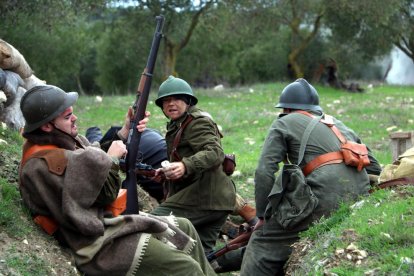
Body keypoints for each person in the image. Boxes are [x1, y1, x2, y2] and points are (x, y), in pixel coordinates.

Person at [18, 84, 216, 276]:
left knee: (185, 227)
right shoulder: (42, 165)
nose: (75, 118)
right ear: (46, 126)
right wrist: (111, 161)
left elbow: (89, 159)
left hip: (107, 224)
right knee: (186, 268)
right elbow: (104, 194)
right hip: (96, 244)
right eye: (68, 116)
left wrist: (124, 131)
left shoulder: (59, 141)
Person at [240, 78, 382, 275]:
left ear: (286, 109)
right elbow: (374, 167)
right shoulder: (339, 124)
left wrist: (263, 216)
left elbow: (264, 171)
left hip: (322, 199)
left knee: (263, 241)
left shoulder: (284, 122)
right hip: (358, 199)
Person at [151, 76, 237, 254]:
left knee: (153, 222)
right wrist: (170, 171)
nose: (171, 104)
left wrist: (184, 166)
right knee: (202, 257)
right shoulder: (180, 123)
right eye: (166, 101)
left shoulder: (196, 121)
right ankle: (244, 258)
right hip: (217, 199)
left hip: (207, 197)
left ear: (187, 101)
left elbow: (215, 152)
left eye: (176, 99)